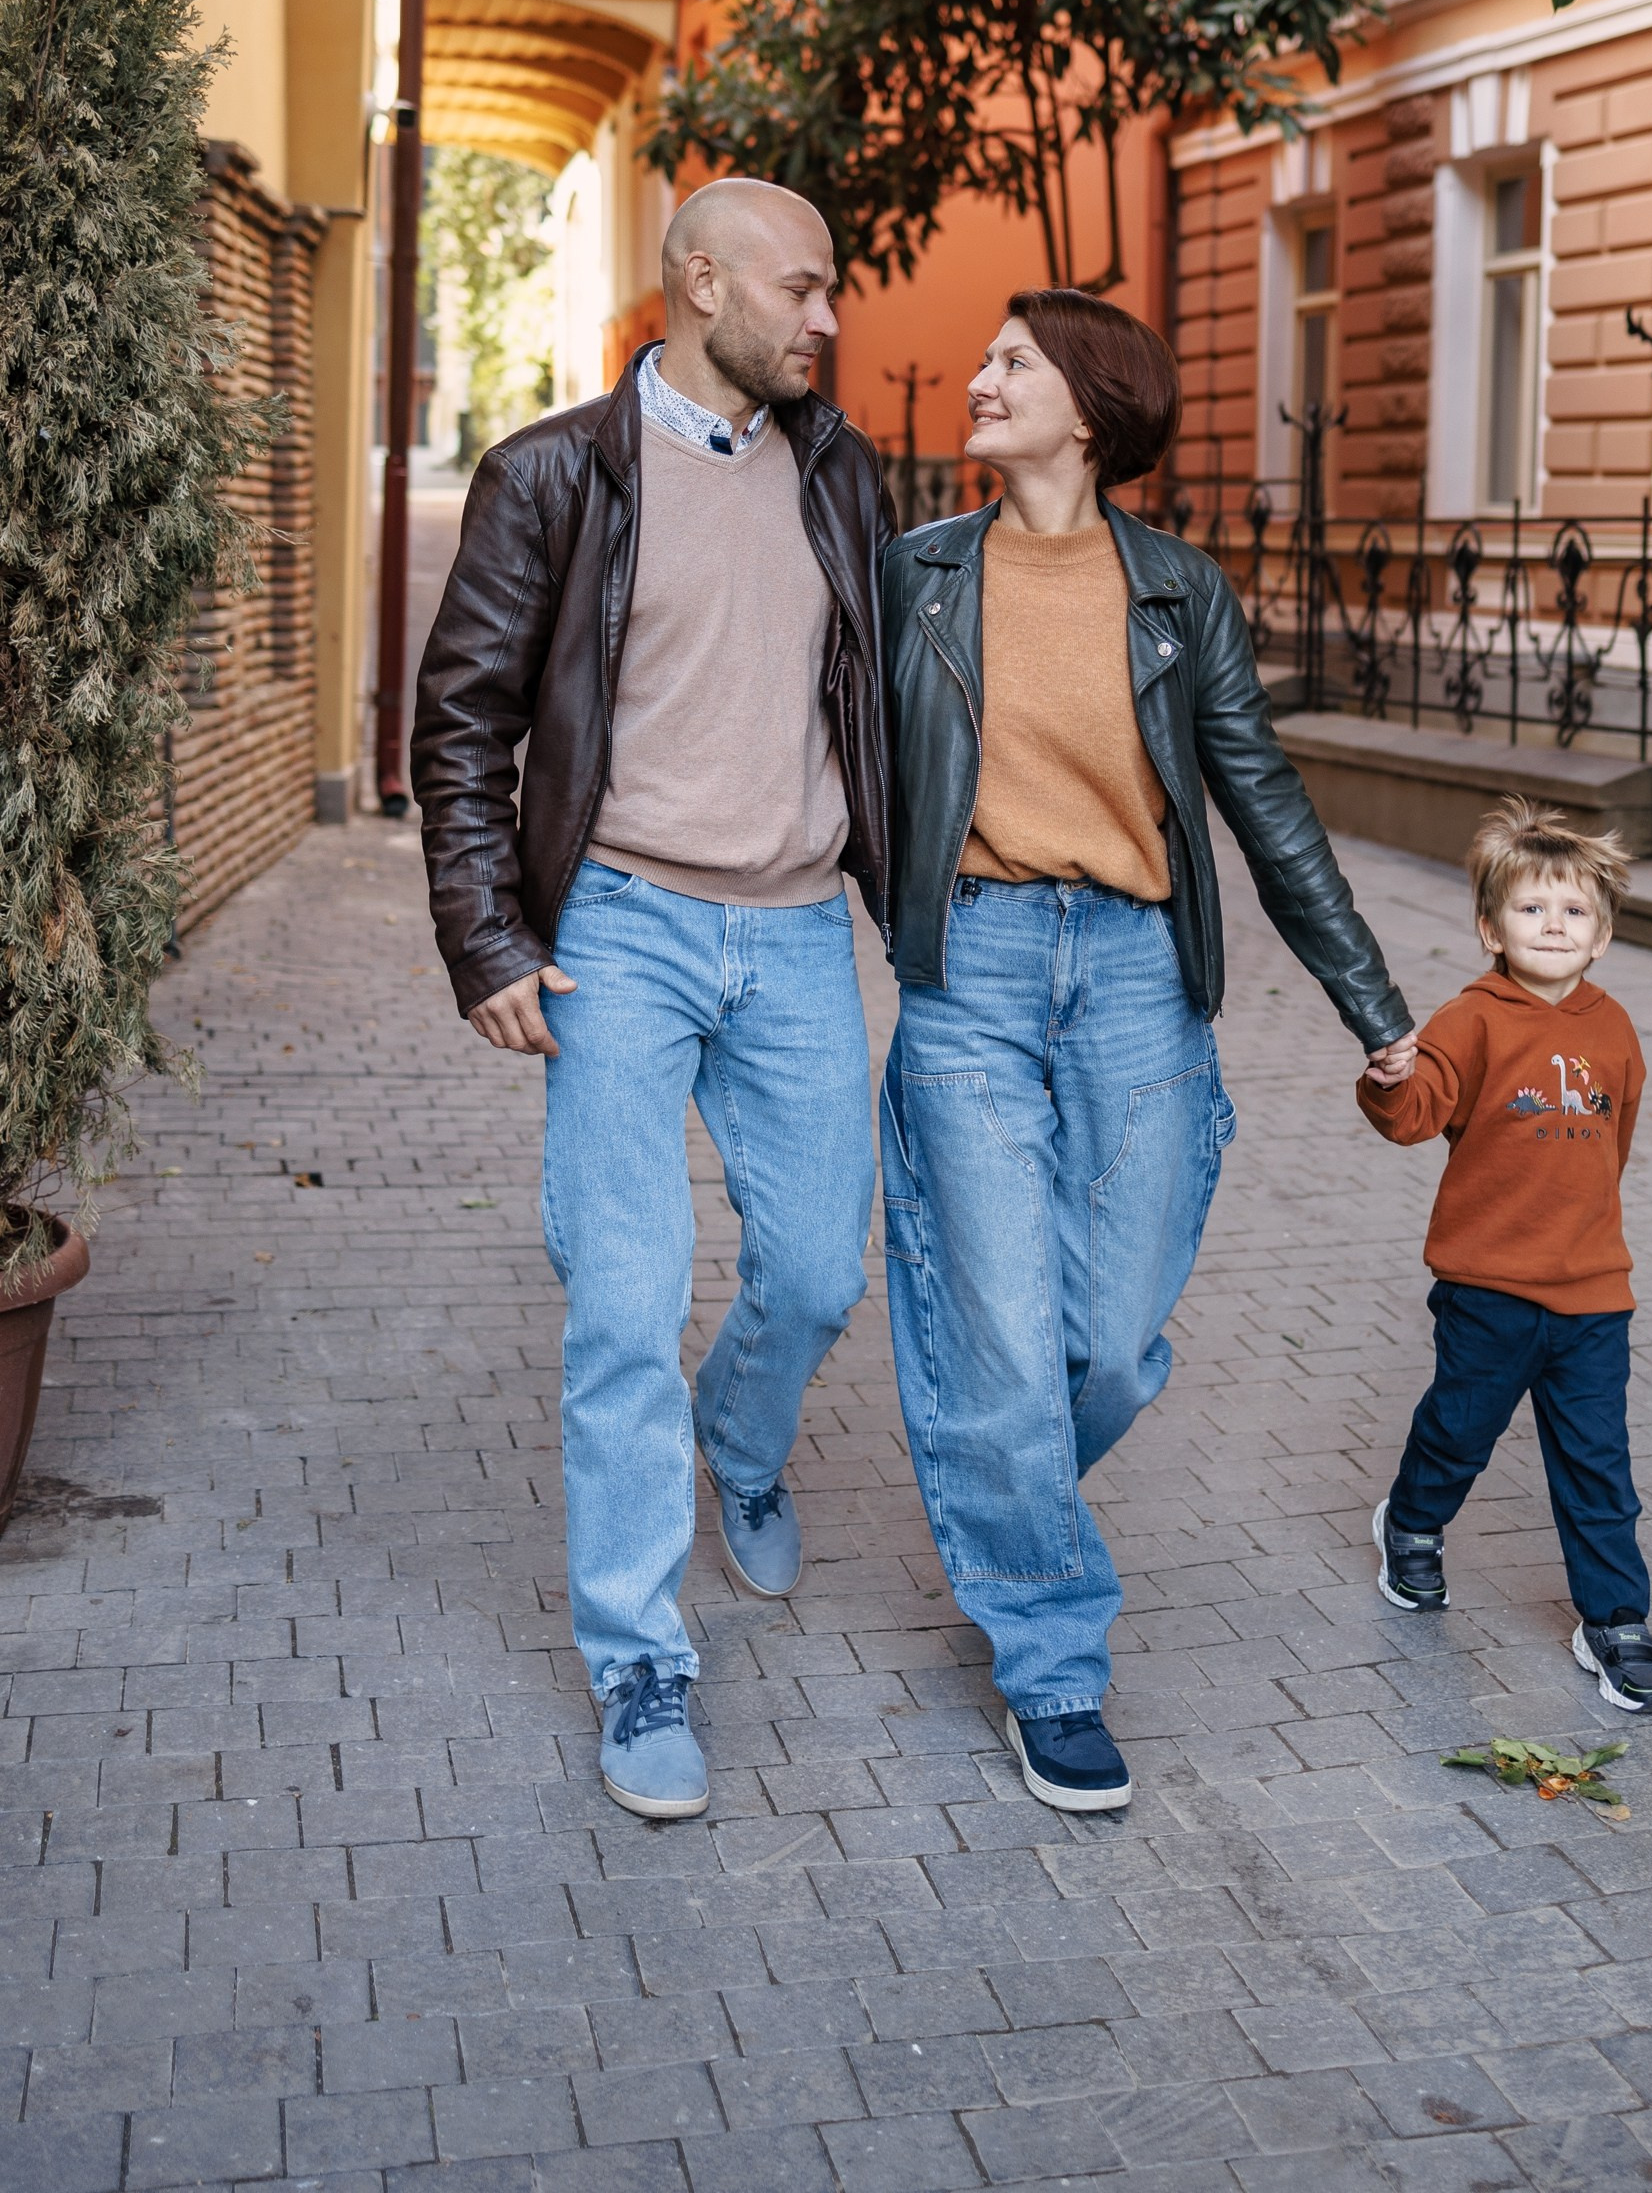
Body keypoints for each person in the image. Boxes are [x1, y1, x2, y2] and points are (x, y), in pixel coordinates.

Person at [879, 288, 1416, 1813]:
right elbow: (843, 764)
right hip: (972, 968)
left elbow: (1265, 802)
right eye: (988, 361)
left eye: (1013, 365)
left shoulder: (1181, 592)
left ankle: (1002, 1496)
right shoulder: (915, 572)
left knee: (1103, 1345)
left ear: (1091, 409)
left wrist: (1375, 1010)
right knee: (993, 1331)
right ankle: (1053, 1665)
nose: (982, 381)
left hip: (1135, 975)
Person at [411, 179, 895, 1821]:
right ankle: (640, 1655)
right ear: (702, 282)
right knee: (625, 1303)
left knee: (823, 1266)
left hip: (800, 929)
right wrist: (486, 941)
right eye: (805, 288)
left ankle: (740, 1444)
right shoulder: (555, 473)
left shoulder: (839, 470)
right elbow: (463, 720)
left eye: (832, 293)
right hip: (619, 924)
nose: (829, 318)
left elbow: (881, 695)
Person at [1359, 796, 1652, 1715]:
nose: (1553, 925)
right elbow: (1416, 1118)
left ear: (1603, 935)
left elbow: (1613, 1143)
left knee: (1598, 1467)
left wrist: (1580, 1240)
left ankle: (1614, 1619)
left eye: (1574, 911)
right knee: (1460, 1432)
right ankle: (1412, 1524)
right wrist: (1391, 1081)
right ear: (1490, 926)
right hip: (1488, 1291)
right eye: (1532, 908)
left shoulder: (1613, 1028)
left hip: (1590, 1296)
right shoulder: (1473, 1020)